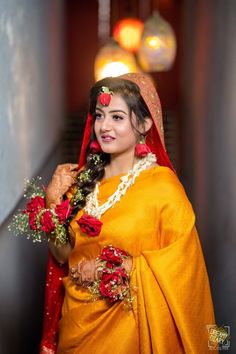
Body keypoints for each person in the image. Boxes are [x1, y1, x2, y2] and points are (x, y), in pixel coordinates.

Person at [40, 73, 217, 354]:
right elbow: (62, 255)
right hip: (77, 327)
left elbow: (184, 271)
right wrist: (52, 202)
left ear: (144, 123)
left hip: (133, 332)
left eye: (117, 117)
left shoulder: (163, 188)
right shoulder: (82, 183)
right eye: (99, 116)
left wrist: (115, 268)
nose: (104, 126)